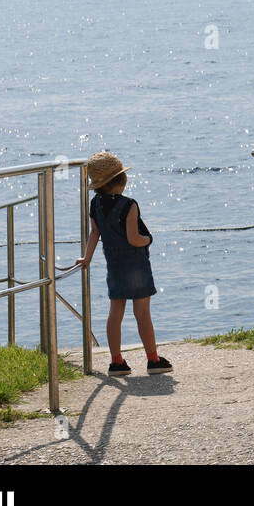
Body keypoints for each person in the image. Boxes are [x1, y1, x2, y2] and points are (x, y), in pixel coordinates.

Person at [77, 152, 172, 375]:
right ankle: (153, 359)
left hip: (114, 266)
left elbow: (95, 234)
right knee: (142, 313)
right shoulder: (129, 205)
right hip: (136, 266)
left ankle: (116, 361)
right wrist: (148, 239)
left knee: (115, 312)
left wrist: (86, 258)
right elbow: (133, 239)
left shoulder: (95, 204)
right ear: (121, 181)